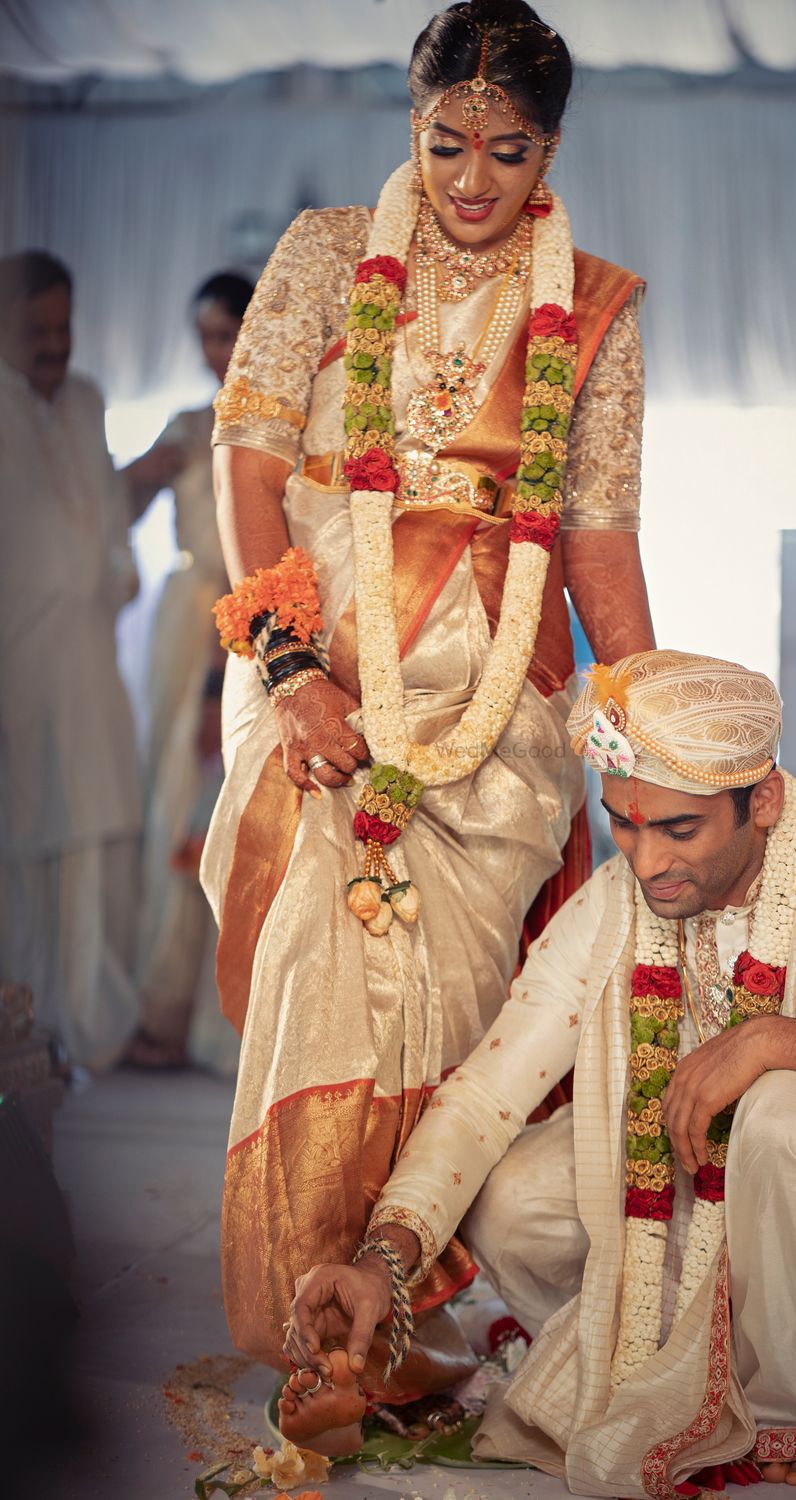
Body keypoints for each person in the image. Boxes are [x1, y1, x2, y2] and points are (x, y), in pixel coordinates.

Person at [202, 0, 656, 1443]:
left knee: (457, 1008)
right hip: (318, 655)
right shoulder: (330, 254)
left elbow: (595, 546)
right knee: (322, 960)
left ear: (552, 150)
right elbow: (253, 462)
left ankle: (404, 1313)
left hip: (495, 708)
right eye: (445, 143)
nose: (472, 179)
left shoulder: (592, 306)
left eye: (507, 152)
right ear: (411, 128)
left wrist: (648, 729)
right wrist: (290, 669)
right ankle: (309, 1326)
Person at [279, 648, 796, 1493]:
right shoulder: (621, 902)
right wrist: (382, 1259)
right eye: (624, 821)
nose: (647, 860)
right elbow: (486, 1095)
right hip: (701, 1203)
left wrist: (786, 1042)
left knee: (779, 1111)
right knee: (512, 1196)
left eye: (679, 828)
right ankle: (677, 1351)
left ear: (761, 800)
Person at [0, 250, 172, 1069]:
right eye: (36, 330)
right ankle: (26, 1030)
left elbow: (103, 519)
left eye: (64, 328)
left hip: (90, 657)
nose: (55, 345)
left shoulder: (86, 400)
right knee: (25, 849)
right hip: (18, 666)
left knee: (100, 839)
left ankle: (99, 1029)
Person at [125, 272, 254, 1073]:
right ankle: (161, 1008)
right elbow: (100, 505)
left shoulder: (281, 420)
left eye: (230, 331)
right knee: (174, 803)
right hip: (184, 626)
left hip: (238, 624)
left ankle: (205, 1019)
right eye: (207, 335)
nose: (219, 351)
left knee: (215, 809)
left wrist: (220, 671)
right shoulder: (185, 424)